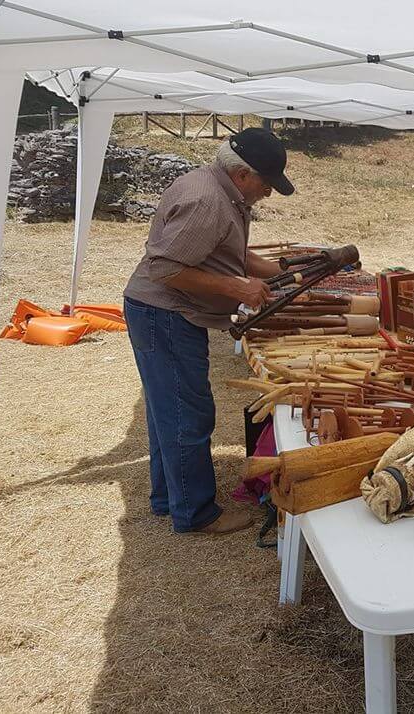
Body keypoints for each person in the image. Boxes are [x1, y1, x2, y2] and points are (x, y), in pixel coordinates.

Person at [124, 128, 295, 536]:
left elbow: (223, 250)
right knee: (187, 413)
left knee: (168, 410)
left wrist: (280, 271)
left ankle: (169, 499)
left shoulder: (220, 191)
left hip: (165, 313)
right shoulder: (206, 201)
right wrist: (237, 287)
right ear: (242, 175)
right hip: (164, 314)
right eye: (266, 184)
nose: (268, 193)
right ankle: (196, 512)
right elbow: (165, 268)